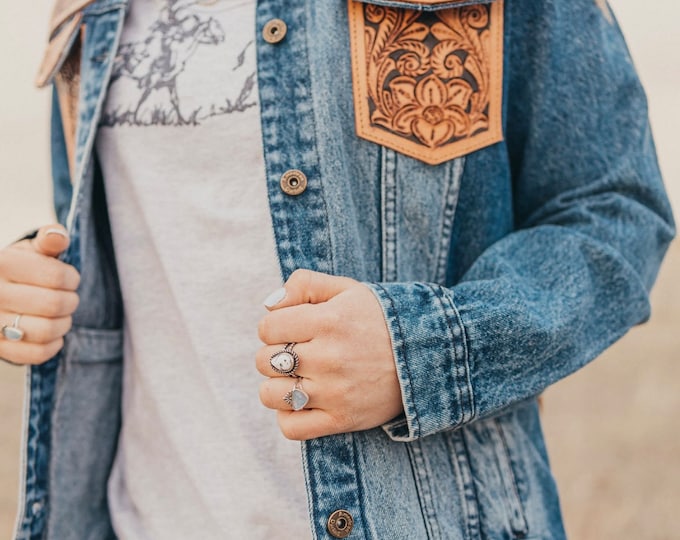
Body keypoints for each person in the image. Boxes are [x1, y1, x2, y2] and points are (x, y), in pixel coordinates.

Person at [2, 0, 675, 538]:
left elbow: (614, 207)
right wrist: (35, 286)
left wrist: (421, 351)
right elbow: (131, 245)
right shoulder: (90, 8)